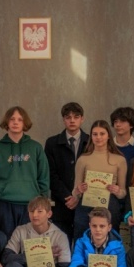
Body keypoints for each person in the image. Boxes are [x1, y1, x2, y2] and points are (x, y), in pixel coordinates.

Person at [0, 106, 49, 237]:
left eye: (20, 119)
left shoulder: (35, 147)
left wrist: (43, 204)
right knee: (5, 242)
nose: (15, 122)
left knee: (29, 243)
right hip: (4, 205)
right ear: (7, 122)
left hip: (30, 205)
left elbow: (44, 177)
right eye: (12, 119)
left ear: (25, 123)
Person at [2, 196, 71, 267]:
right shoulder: (20, 230)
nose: (34, 215)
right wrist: (36, 255)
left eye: (39, 211)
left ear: (49, 214)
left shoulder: (60, 236)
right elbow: (6, 258)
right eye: (31, 211)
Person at [72, 120, 127, 240]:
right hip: (86, 206)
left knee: (110, 242)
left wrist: (117, 191)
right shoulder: (83, 159)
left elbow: (123, 193)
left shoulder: (119, 160)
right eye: (95, 134)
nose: (98, 137)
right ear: (91, 136)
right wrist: (79, 190)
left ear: (108, 136)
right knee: (83, 242)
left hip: (110, 206)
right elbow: (75, 192)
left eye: (102, 134)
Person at [44, 103, 89, 242]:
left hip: (86, 202)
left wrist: (77, 196)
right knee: (61, 244)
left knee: (84, 243)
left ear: (82, 119)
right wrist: (68, 196)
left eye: (76, 117)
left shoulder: (90, 142)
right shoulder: (52, 143)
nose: (72, 120)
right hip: (62, 203)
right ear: (63, 120)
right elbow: (50, 174)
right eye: (68, 117)